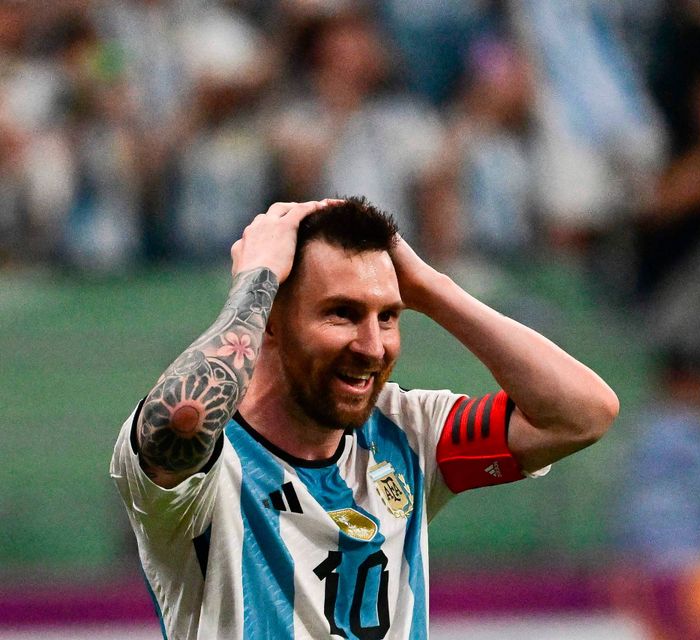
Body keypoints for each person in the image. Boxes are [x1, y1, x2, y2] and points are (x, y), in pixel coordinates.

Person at [109, 197, 619, 639]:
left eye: (388, 316)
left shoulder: (409, 432)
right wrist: (256, 281)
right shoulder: (209, 468)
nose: (373, 347)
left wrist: (430, 287)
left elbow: (582, 416)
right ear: (271, 320)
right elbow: (184, 414)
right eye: (343, 313)